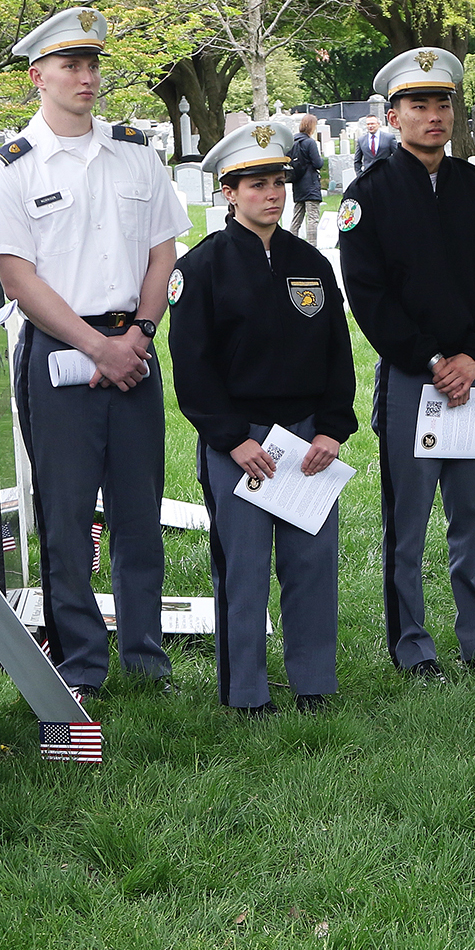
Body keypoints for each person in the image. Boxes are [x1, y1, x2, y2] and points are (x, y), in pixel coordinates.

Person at [0, 7, 187, 704]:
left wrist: (142, 335)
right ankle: (80, 665)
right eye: (70, 65)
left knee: (138, 510)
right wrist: (97, 344)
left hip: (136, 343)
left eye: (92, 64)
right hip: (61, 350)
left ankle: (146, 655)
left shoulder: (136, 152)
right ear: (38, 76)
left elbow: (162, 249)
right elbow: (16, 276)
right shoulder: (11, 167)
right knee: (65, 515)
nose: (86, 77)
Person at [338, 47, 475, 679]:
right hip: (416, 378)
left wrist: (473, 357)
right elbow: (369, 296)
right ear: (393, 116)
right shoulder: (370, 195)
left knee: (473, 517)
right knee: (406, 525)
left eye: (442, 103)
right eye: (418, 104)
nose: (433, 115)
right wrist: (433, 358)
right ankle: (412, 646)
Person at [170, 118, 356, 715]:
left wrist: (331, 427)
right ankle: (245, 693)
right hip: (241, 443)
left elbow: (336, 352)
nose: (272, 193)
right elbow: (191, 366)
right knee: (243, 572)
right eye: (255, 184)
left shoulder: (311, 263)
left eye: (278, 181)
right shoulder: (200, 269)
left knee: (311, 566)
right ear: (229, 192)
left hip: (306, 440)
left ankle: (313, 684)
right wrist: (229, 438)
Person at [287, 112, 325, 244]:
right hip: (310, 184)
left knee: (296, 218)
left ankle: (292, 244)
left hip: (298, 184)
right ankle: (312, 245)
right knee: (312, 218)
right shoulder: (310, 142)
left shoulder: (293, 142)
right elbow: (317, 163)